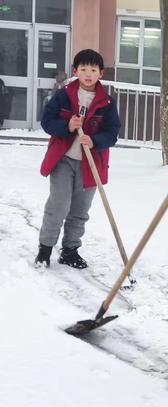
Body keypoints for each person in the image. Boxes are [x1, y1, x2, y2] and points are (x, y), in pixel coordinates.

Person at [35, 49, 121, 269]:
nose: (88, 74)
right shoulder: (64, 95)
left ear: (101, 73)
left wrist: (95, 141)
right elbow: (47, 121)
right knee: (59, 204)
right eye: (83, 69)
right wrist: (67, 126)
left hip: (91, 165)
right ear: (75, 71)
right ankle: (45, 249)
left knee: (80, 210)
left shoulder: (107, 103)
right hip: (63, 160)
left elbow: (112, 133)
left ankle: (70, 250)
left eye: (93, 69)